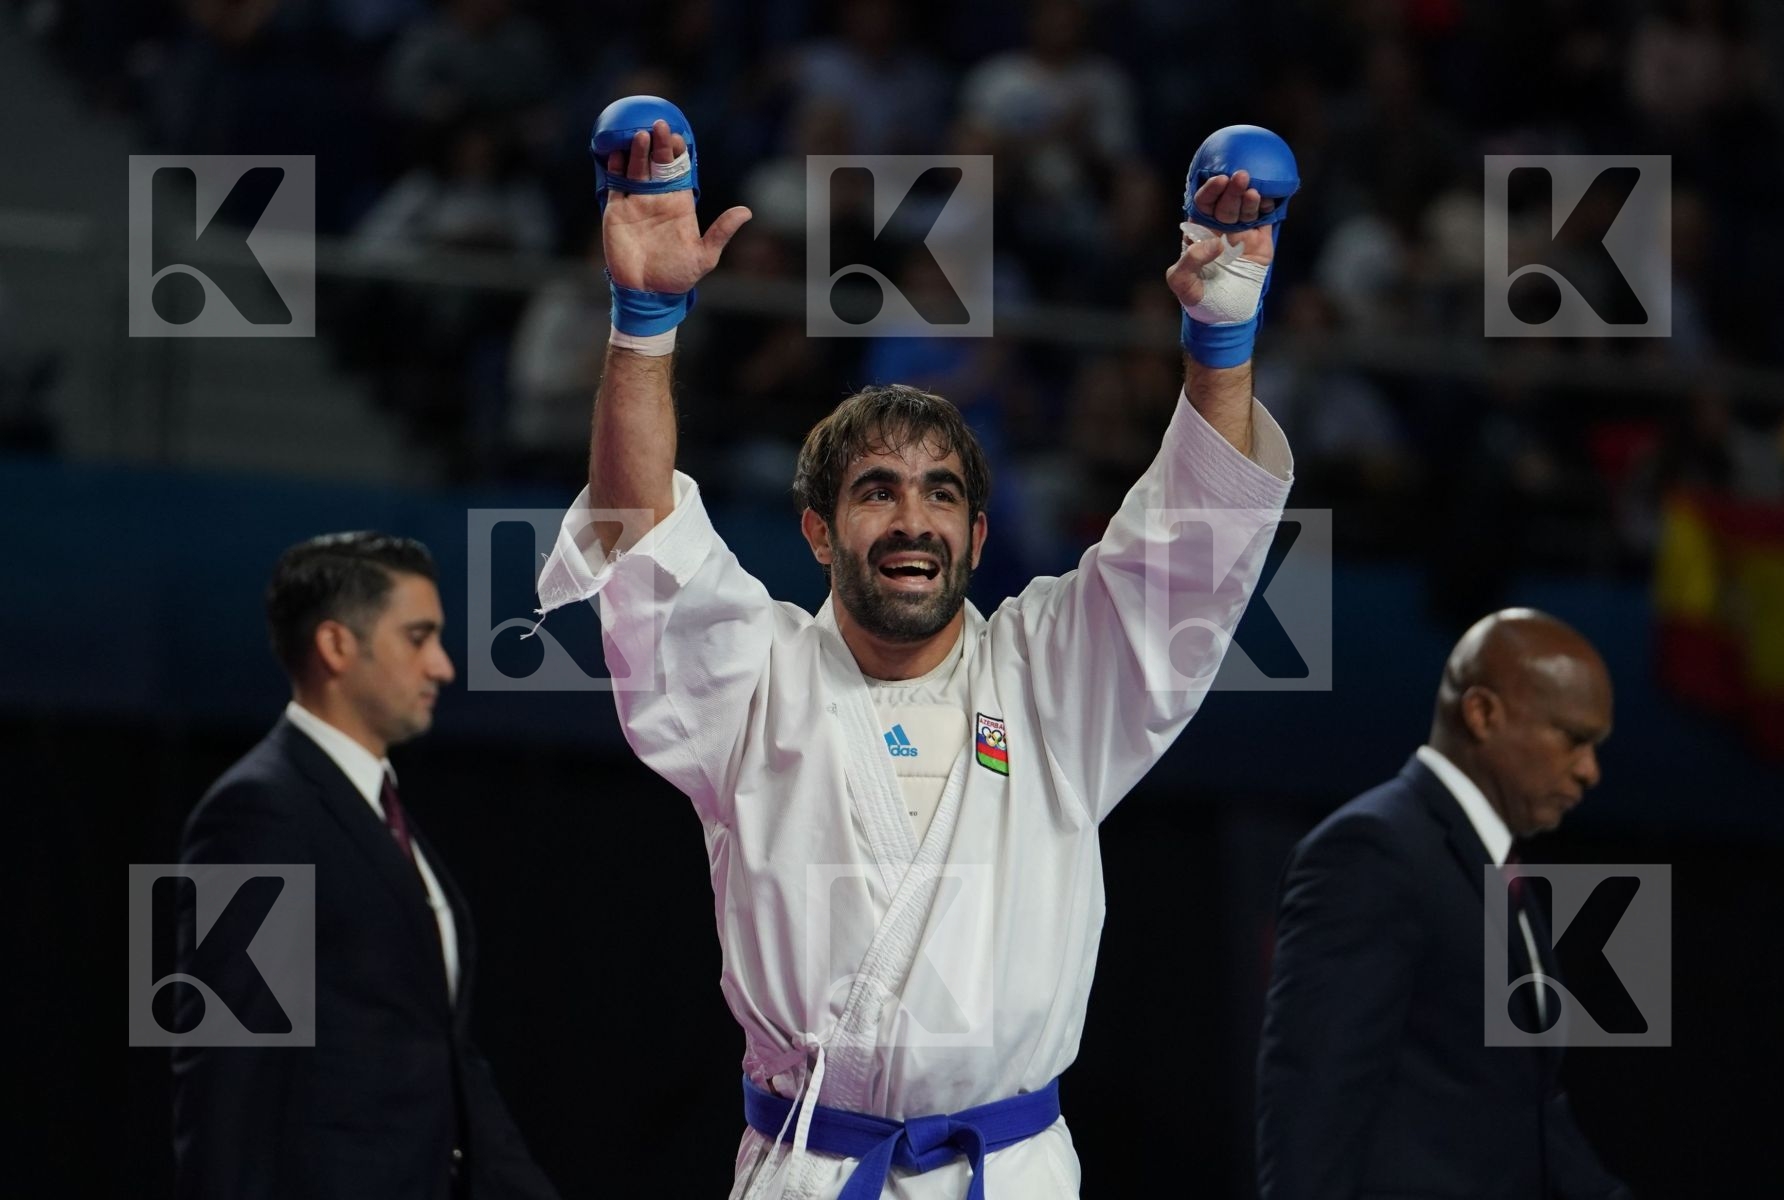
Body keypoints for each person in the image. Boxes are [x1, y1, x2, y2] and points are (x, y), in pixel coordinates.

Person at [534, 102, 1296, 1198]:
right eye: (875, 493)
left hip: (1011, 1171)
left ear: (979, 538)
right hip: (809, 1170)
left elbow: (1189, 546)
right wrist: (645, 319)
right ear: (816, 529)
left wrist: (1222, 339)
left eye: (942, 496)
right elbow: (640, 525)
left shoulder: (1053, 681)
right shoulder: (753, 679)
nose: (912, 522)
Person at [173, 533, 560, 1200]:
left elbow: (444, 1051)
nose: (442, 665)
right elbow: (219, 1074)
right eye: (418, 637)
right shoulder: (246, 812)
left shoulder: (381, 810)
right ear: (336, 646)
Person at [1256, 608, 1633, 1200]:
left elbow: (1526, 1112)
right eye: (1574, 739)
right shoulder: (1372, 850)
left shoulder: (1496, 863)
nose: (1590, 771)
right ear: (1482, 713)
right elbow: (1313, 1101)